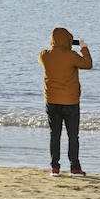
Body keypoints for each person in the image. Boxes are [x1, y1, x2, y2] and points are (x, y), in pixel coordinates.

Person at [38, 28, 93, 177]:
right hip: (70, 101)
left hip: (52, 101)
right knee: (73, 136)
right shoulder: (71, 56)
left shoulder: (44, 55)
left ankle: (54, 168)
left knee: (54, 135)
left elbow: (50, 58)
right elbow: (88, 64)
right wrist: (84, 48)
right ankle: (75, 168)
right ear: (68, 40)